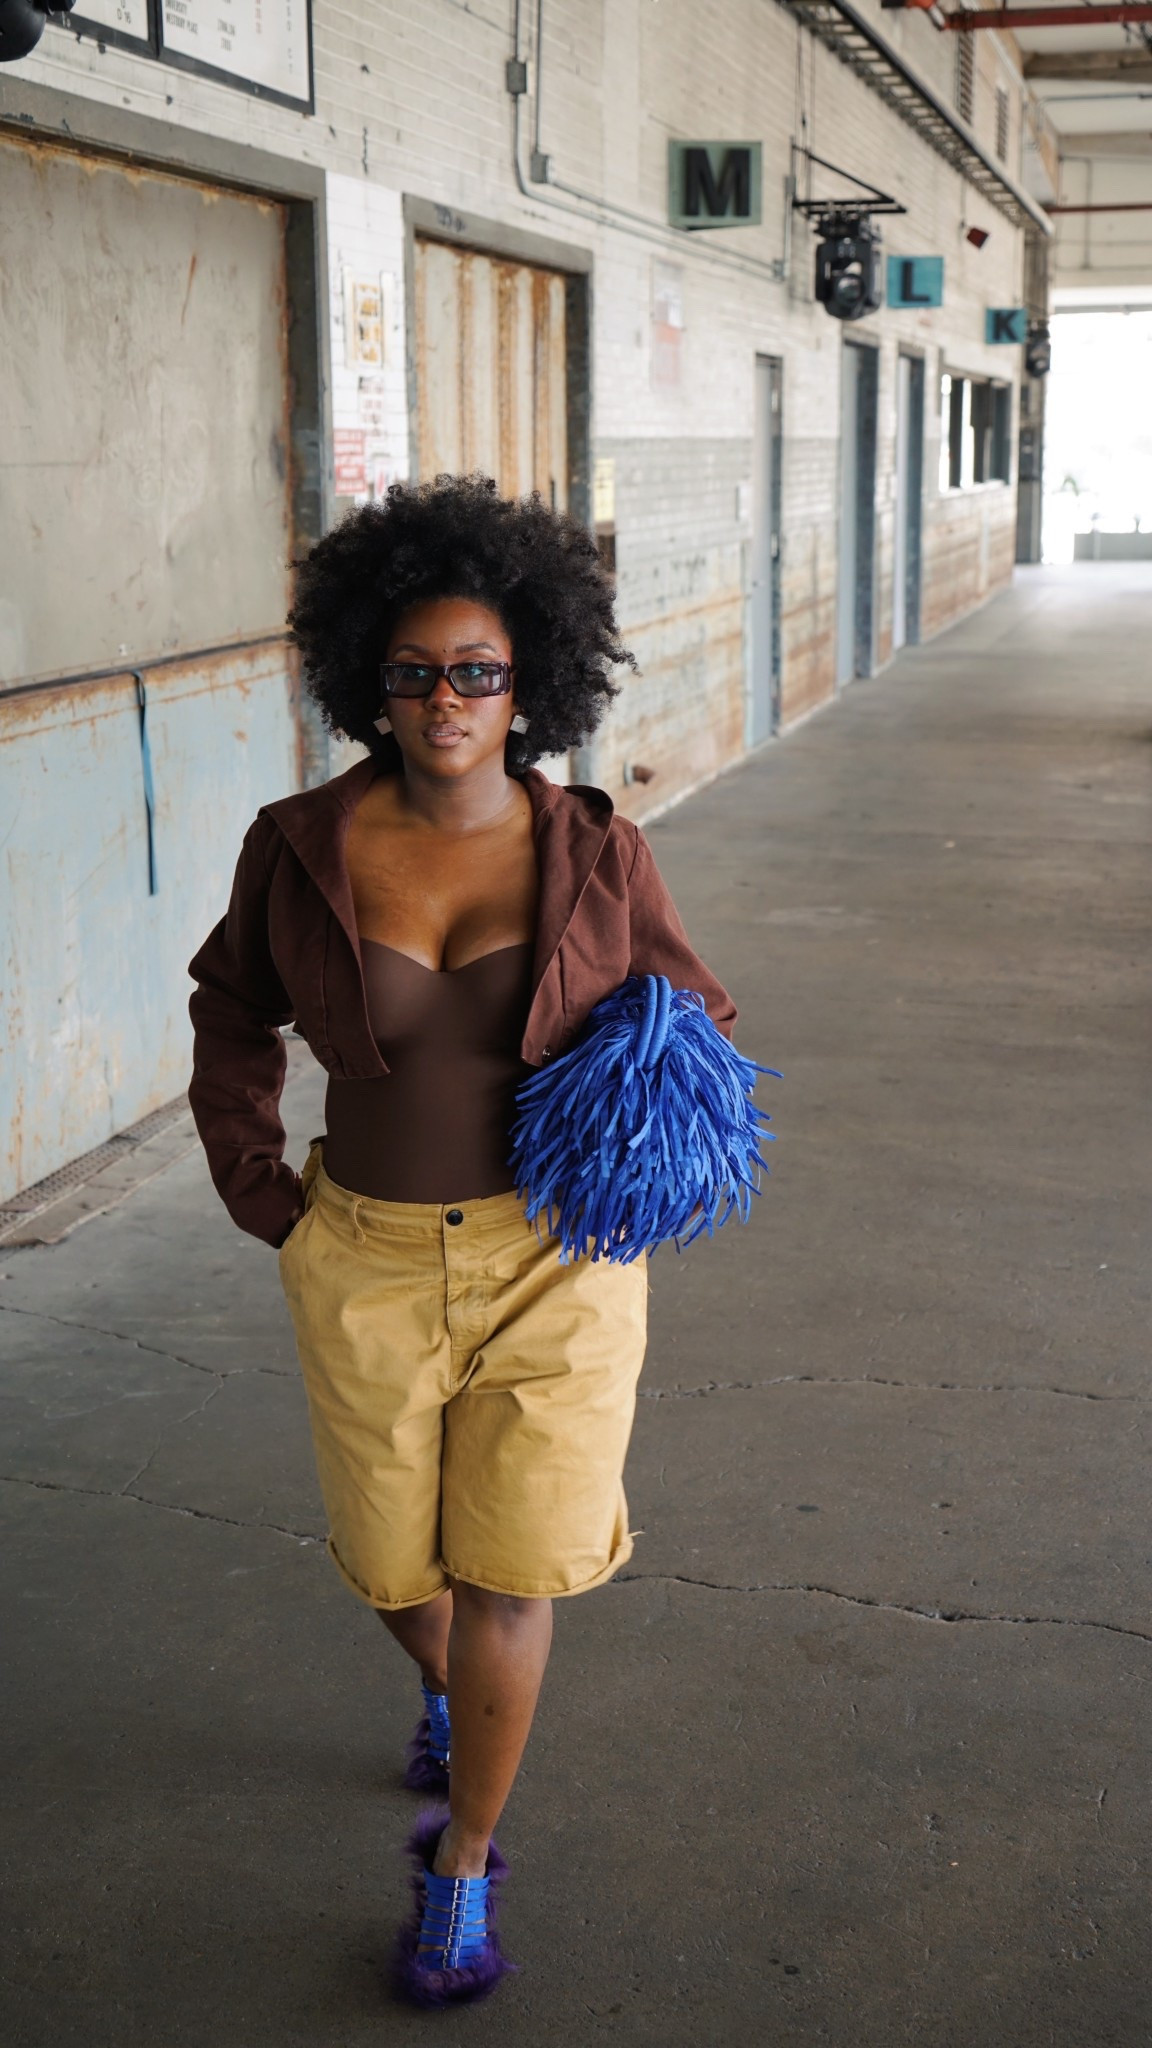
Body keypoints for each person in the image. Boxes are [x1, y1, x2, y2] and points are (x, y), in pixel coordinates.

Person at [187, 473, 736, 2007]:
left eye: (478, 672)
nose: (446, 699)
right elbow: (231, 1005)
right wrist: (258, 1184)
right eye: (417, 670)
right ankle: (451, 1696)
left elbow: (696, 1004)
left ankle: (462, 1866)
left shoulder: (593, 849)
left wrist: (642, 1097)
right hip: (358, 1250)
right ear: (370, 674)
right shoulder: (299, 845)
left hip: (557, 1259)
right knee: (388, 1562)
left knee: (515, 1577)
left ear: (529, 684)